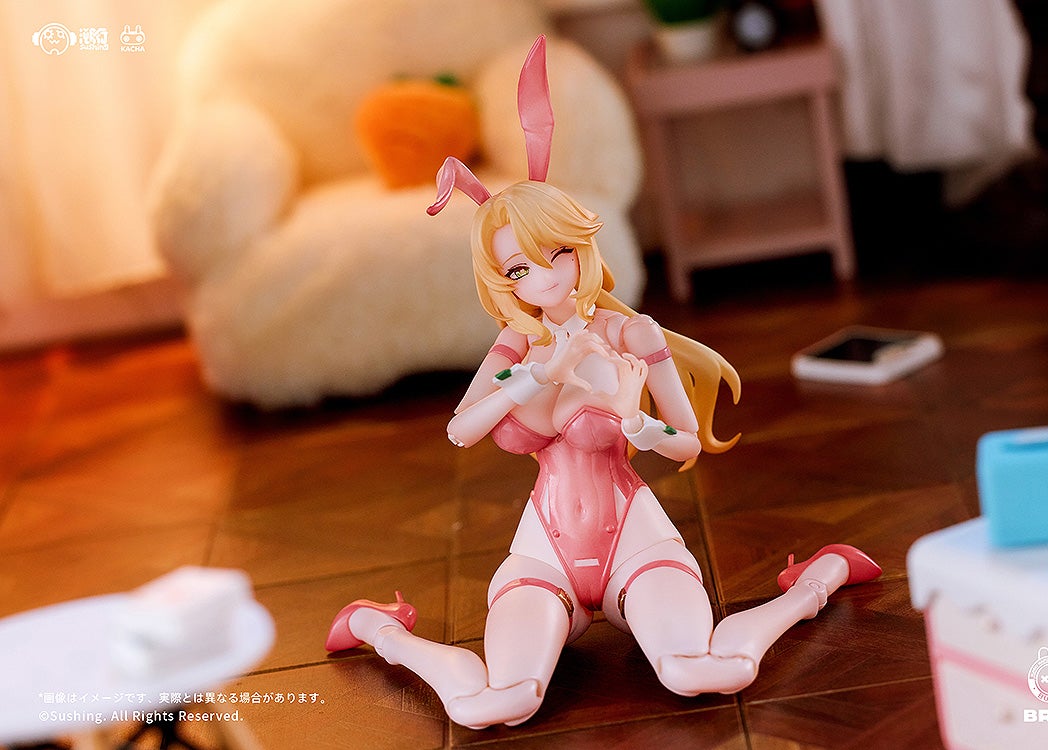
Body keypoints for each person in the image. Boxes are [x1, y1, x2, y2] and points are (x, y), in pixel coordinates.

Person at [326, 36, 880, 730]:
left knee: (701, 671)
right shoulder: (515, 346)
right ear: (503, 282)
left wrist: (635, 418)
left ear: (577, 244)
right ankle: (380, 628)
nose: (540, 279)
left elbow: (686, 445)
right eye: (518, 270)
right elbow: (461, 430)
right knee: (499, 702)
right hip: (543, 554)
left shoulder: (632, 335)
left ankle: (816, 580)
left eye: (551, 254)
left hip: (637, 544)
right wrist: (538, 374)